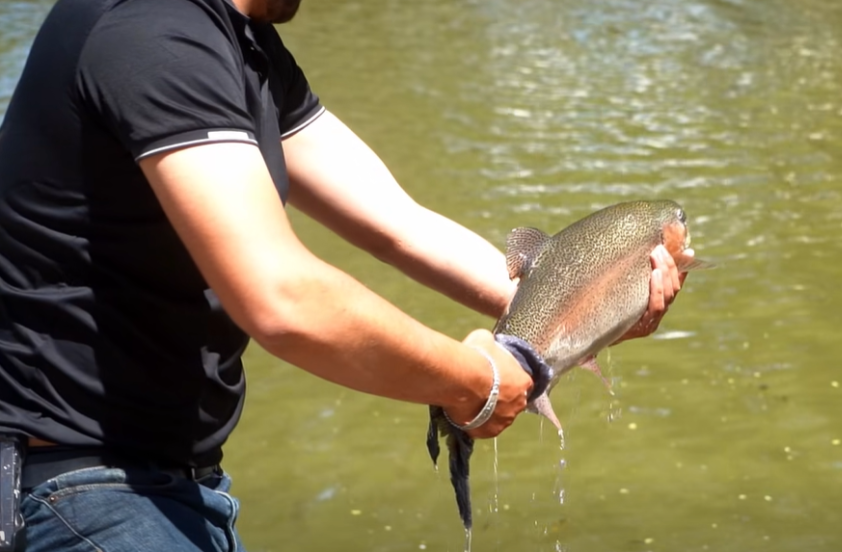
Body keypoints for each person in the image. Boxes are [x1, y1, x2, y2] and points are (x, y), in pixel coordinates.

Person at [0, 0, 690, 549]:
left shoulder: (244, 47)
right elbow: (282, 297)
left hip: (162, 484)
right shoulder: (155, 32)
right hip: (77, 487)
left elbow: (397, 223)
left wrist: (578, 309)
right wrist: (473, 381)